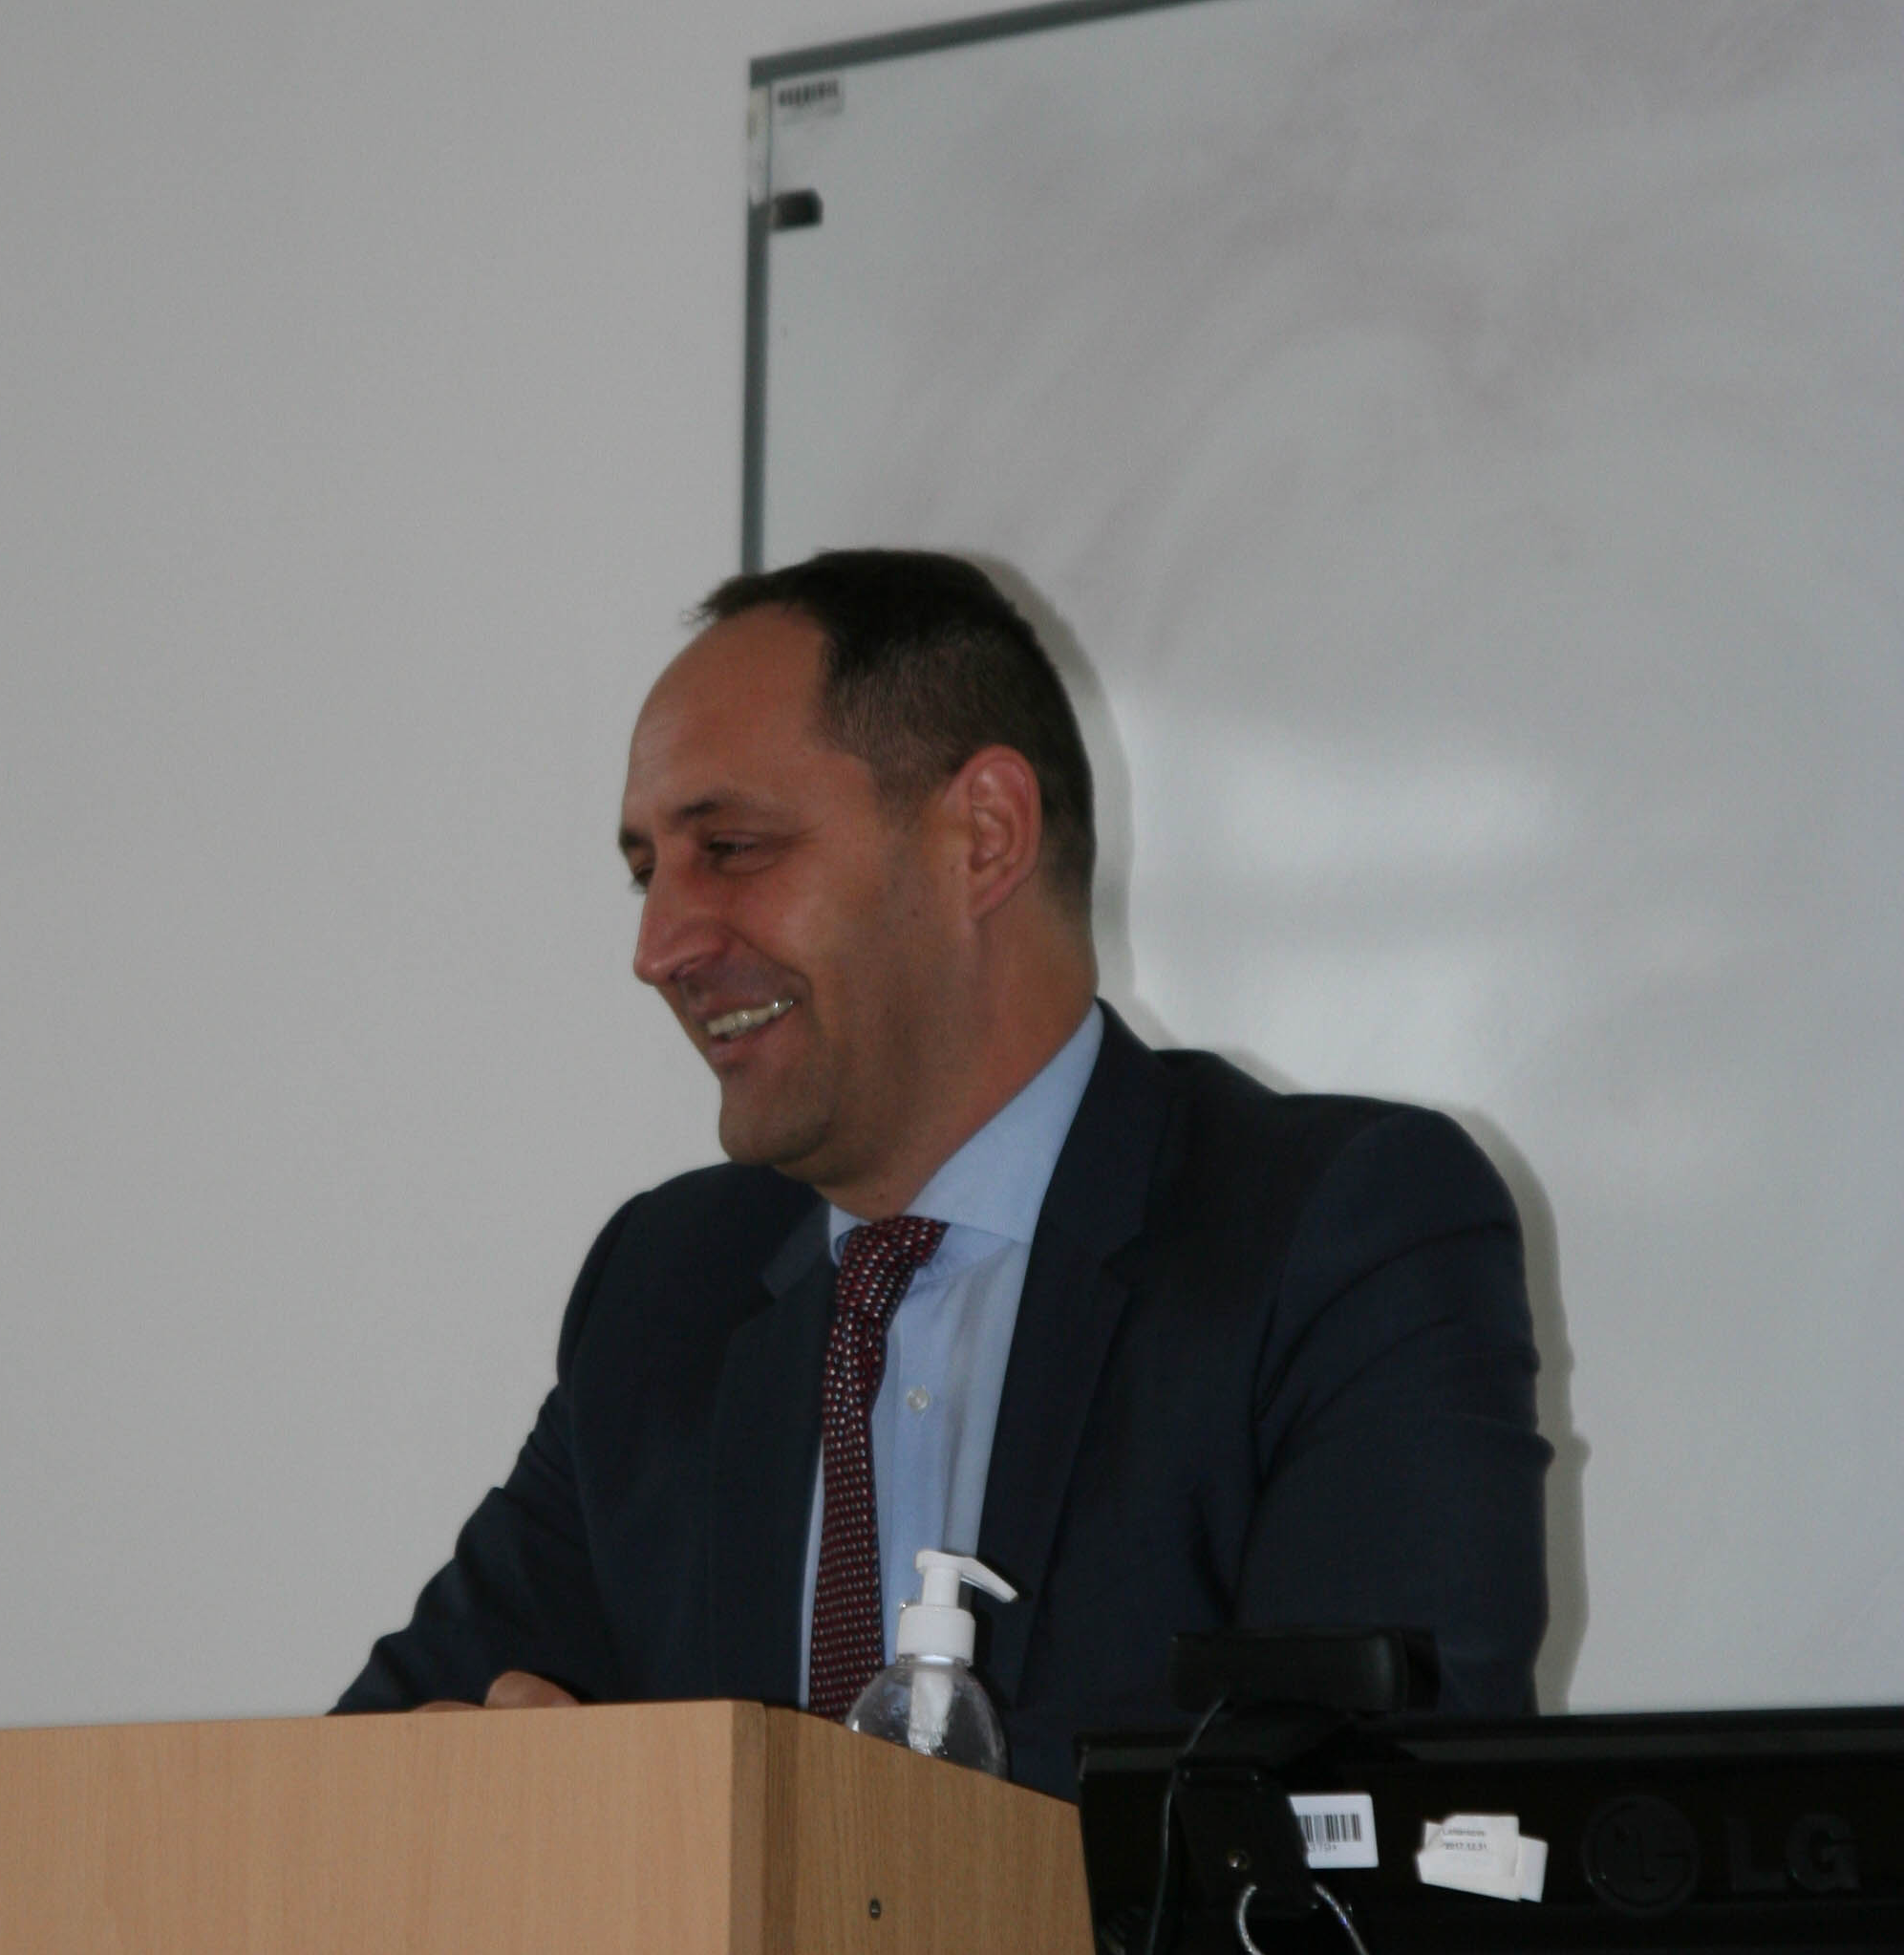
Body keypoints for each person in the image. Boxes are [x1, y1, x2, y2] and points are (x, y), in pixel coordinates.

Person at [336, 549, 1549, 1794]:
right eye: (649, 874)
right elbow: (359, 1779)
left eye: (733, 849)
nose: (659, 947)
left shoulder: (1336, 1239)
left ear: (984, 837)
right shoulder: (668, 1291)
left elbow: (1377, 1834)